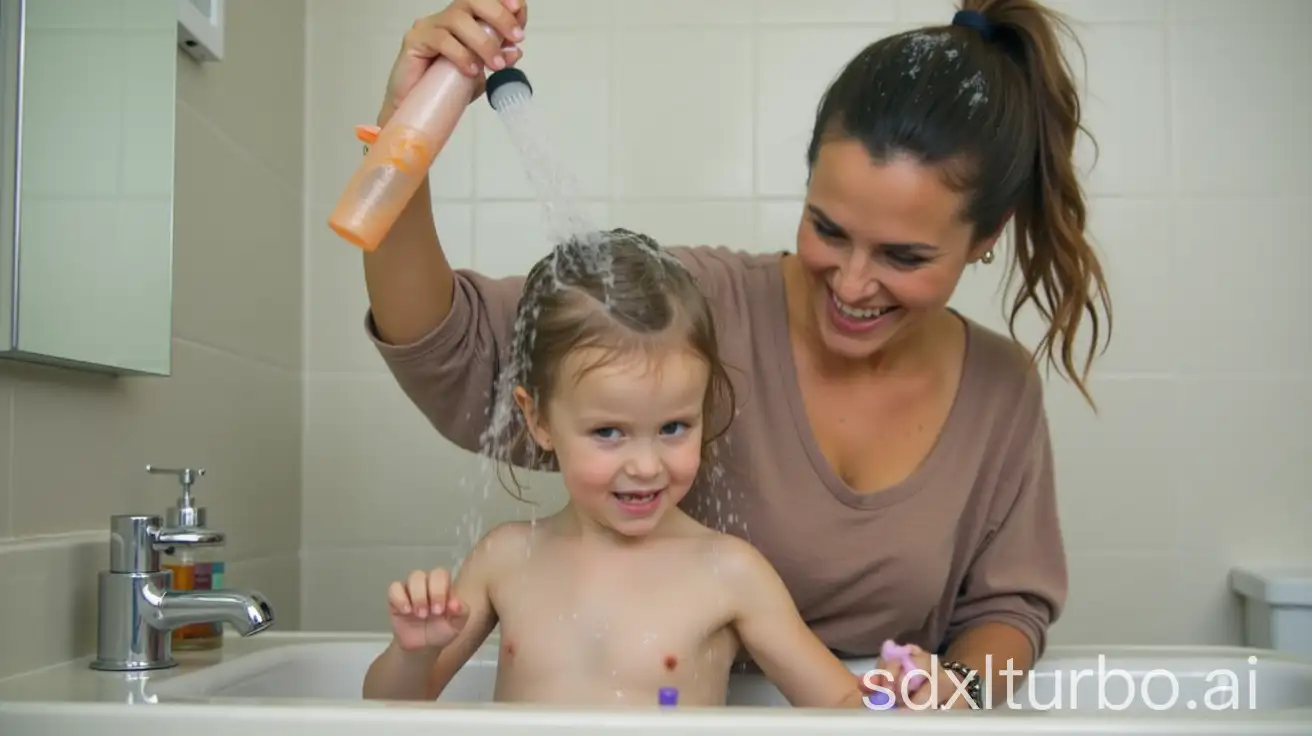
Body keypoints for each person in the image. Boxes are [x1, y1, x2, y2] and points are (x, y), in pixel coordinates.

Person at [357, 0, 1112, 711]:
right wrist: (405, 134)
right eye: (828, 228)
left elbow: (1010, 612)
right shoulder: (690, 311)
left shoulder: (998, 390)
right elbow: (453, 348)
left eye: (903, 256)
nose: (851, 283)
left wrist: (960, 690)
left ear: (985, 239)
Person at [361, 230, 871, 709]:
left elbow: (844, 708)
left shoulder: (730, 572)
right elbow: (387, 711)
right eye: (608, 433)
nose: (646, 466)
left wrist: (900, 694)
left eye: (674, 427)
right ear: (537, 419)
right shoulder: (507, 559)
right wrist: (414, 654)